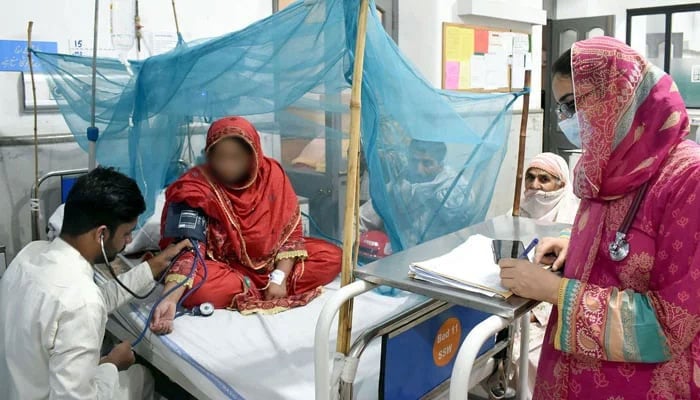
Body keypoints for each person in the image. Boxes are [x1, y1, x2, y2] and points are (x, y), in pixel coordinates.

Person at [499, 36, 700, 399]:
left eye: (573, 105)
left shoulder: (688, 180)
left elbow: (670, 323)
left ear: (618, 96)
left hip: (640, 384)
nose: (567, 121)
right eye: (561, 108)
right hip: (571, 371)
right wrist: (573, 246)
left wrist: (553, 291)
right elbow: (623, 244)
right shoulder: (605, 164)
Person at [0, 167, 190, 400]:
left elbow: (94, 298)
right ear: (101, 235)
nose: (130, 240)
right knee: (140, 376)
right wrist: (111, 364)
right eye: (127, 233)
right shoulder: (82, 301)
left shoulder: (30, 255)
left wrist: (150, 268)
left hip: (16, 387)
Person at [150, 116, 342, 333]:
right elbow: (188, 247)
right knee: (200, 288)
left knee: (331, 256)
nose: (227, 165)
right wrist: (171, 298)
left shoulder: (272, 176)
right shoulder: (196, 187)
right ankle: (252, 289)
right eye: (221, 157)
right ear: (209, 155)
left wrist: (279, 277)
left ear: (253, 156)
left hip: (271, 263)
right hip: (225, 268)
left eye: (236, 157)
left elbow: (291, 235)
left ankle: (273, 287)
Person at [359, 139, 472, 248]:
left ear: (440, 165)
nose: (418, 170)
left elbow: (461, 231)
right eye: (414, 161)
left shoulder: (454, 190)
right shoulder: (402, 182)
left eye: (427, 163)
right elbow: (364, 217)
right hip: (399, 255)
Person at [519, 152, 580, 224]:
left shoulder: (575, 218)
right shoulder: (518, 212)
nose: (534, 185)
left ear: (561, 185)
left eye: (544, 179)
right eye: (531, 178)